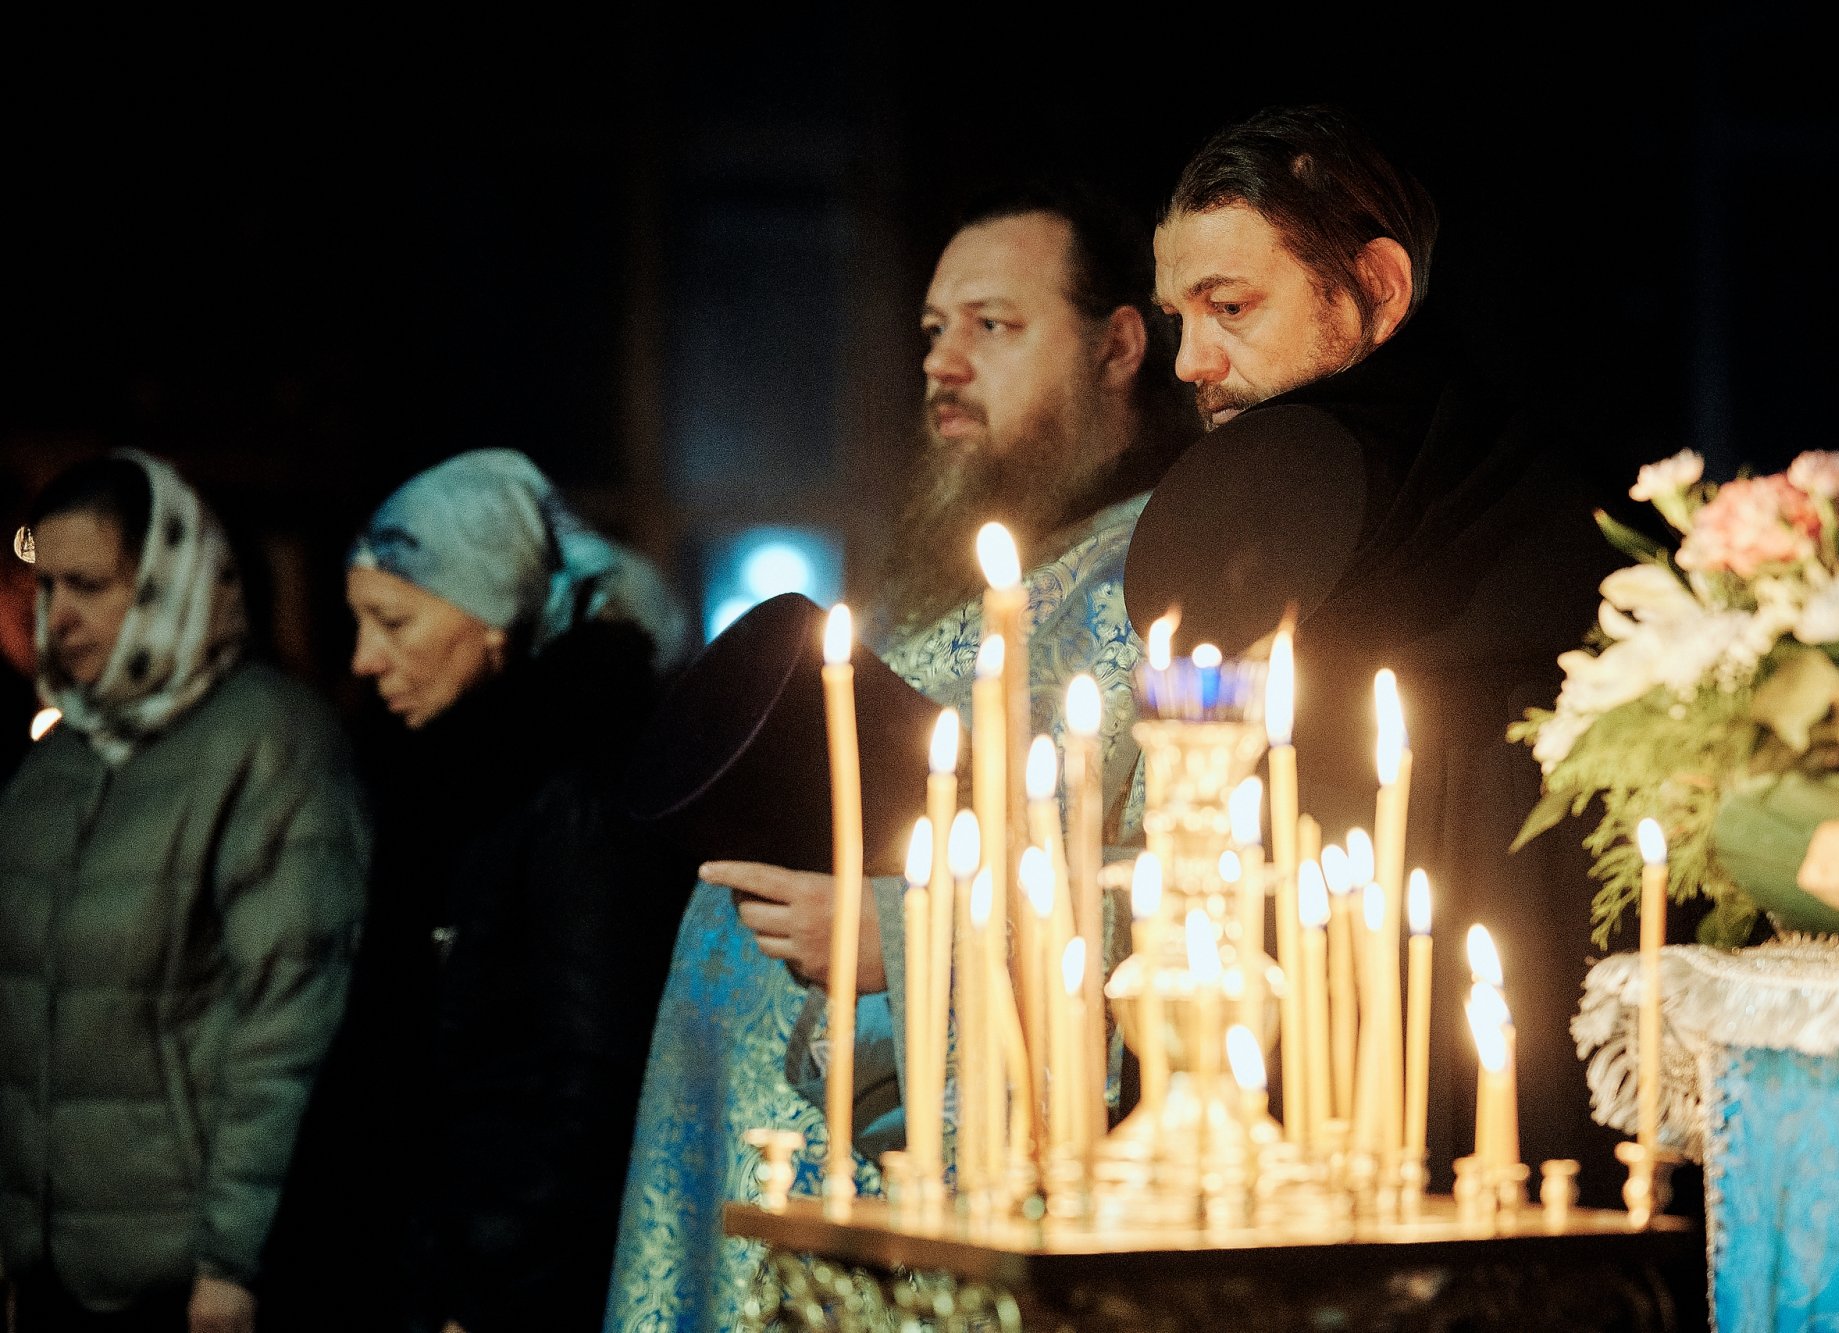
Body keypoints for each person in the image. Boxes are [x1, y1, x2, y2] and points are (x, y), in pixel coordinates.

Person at [604, 181, 1200, 1333]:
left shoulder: (1161, 578)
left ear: (1119, 345)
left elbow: (1187, 896)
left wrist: (910, 935)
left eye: (993, 324)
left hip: (911, 1213)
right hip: (758, 1155)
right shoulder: (944, 576)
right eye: (932, 330)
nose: (942, 363)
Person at [1128, 104, 1626, 1197]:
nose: (1191, 361)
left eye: (1230, 307)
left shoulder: (1551, 540)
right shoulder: (1224, 547)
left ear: (1379, 289)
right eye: (1176, 318)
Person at [259, 448, 693, 1333]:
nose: (365, 659)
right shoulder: (440, 778)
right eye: (357, 623)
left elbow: (587, 1085)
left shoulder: (570, 792)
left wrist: (485, 1294)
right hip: (421, 1265)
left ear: (492, 615)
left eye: (393, 622)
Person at [0, 450, 369, 1333]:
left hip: (185, 1281)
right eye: (46, 586)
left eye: (89, 584)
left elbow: (286, 1022)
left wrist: (232, 1263)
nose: (59, 616)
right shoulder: (53, 766)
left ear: (171, 574)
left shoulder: (271, 741)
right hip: (53, 1274)